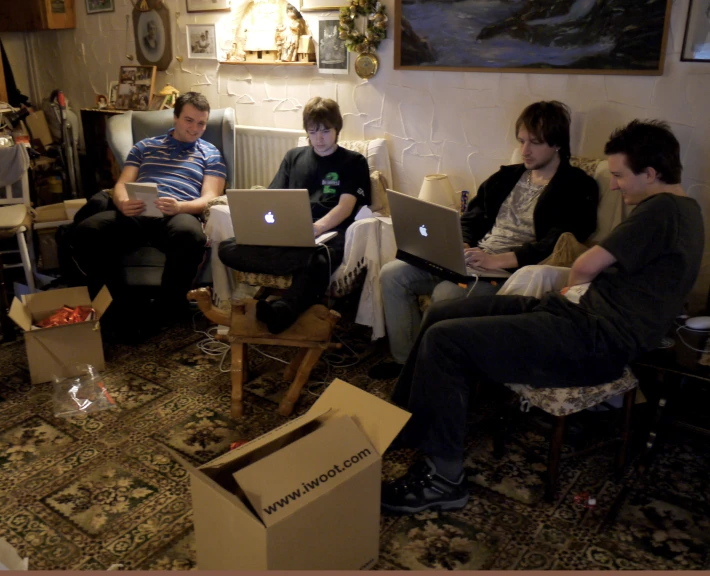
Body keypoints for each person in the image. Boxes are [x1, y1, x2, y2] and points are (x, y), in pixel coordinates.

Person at [380, 119, 705, 515]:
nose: (615, 185)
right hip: (577, 318)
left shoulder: (662, 210)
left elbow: (587, 263)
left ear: (651, 174)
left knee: (445, 342)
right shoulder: (683, 211)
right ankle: (404, 423)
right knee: (445, 312)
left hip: (593, 339)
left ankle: (445, 481)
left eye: (619, 175)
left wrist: (575, 288)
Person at [369, 101, 599, 380]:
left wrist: (498, 260)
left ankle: (432, 371)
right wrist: (462, 244)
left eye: (535, 143)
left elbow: (561, 240)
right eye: (522, 141)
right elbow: (471, 217)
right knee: (392, 274)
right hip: (475, 258)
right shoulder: (506, 177)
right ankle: (407, 364)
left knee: (447, 294)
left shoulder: (577, 186)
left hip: (510, 271)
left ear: (557, 144)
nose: (525, 150)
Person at [72, 92, 227, 331]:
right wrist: (122, 202)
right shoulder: (144, 147)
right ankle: (118, 306)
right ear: (175, 118)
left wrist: (180, 206)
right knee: (87, 231)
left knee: (191, 235)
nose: (195, 128)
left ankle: (166, 308)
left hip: (179, 212)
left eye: (201, 123)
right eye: (189, 120)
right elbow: (122, 184)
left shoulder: (211, 154)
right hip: (139, 209)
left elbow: (210, 198)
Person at [218, 97, 370, 334]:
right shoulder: (294, 157)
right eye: (313, 131)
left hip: (329, 234)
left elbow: (345, 207)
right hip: (289, 236)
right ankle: (300, 264)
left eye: (325, 131)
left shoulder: (354, 162)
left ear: (337, 129)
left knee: (320, 258)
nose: (319, 138)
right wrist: (264, 227)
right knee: (227, 247)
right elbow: (270, 200)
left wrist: (317, 229)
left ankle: (282, 310)